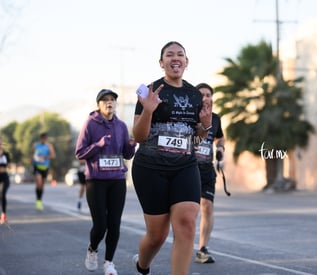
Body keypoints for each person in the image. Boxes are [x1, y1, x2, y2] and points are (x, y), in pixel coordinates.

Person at [131, 41, 212, 275]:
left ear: (186, 62)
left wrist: (205, 127)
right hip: (150, 167)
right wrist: (148, 110)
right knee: (157, 235)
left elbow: (196, 141)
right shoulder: (147, 90)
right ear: (161, 62)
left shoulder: (195, 95)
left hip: (185, 166)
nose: (175, 58)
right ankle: (143, 264)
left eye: (180, 55)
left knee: (187, 225)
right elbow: (138, 136)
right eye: (169, 55)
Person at [75, 89, 136, 275]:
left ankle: (109, 262)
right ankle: (92, 249)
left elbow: (126, 154)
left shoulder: (122, 126)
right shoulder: (90, 124)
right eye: (105, 101)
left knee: (115, 223)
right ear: (99, 105)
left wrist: (131, 146)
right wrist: (98, 145)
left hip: (117, 180)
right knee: (101, 225)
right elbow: (79, 153)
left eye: (112, 100)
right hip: (96, 181)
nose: (109, 103)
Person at [194, 83, 225, 264]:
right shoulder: (190, 117)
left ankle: (202, 249)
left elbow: (220, 136)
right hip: (189, 168)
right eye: (202, 95)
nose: (205, 98)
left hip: (207, 169)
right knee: (189, 210)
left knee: (207, 207)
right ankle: (181, 242)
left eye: (208, 95)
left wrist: (220, 149)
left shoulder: (216, 119)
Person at [32, 132, 56, 211]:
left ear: (46, 139)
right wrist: (36, 158)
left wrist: (45, 157)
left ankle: (39, 200)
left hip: (45, 168)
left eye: (45, 138)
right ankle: (38, 201)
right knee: (38, 182)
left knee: (41, 185)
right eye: (42, 138)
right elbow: (32, 155)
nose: (43, 140)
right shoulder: (36, 145)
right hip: (37, 167)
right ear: (40, 138)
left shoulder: (49, 146)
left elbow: (53, 156)